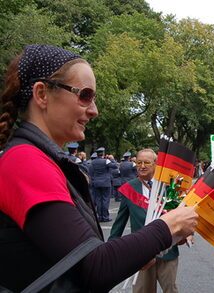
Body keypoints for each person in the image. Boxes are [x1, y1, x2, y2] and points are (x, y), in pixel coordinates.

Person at [0, 44, 198, 292]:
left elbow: (81, 259)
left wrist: (138, 250)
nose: (94, 110)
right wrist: (170, 224)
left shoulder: (39, 158)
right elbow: (94, 267)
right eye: (85, 95)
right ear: (42, 95)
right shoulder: (25, 160)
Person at [110, 149, 187, 293]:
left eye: (147, 162)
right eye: (139, 162)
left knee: (170, 289)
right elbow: (119, 223)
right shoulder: (130, 189)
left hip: (168, 251)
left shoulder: (169, 187)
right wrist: (109, 250)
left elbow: (180, 215)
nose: (142, 166)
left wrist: (187, 234)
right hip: (141, 253)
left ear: (156, 165)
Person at [91, 146, 117, 222]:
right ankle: (105, 217)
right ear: (103, 153)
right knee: (105, 200)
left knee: (98, 200)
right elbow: (115, 166)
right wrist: (112, 159)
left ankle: (100, 216)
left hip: (96, 182)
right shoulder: (106, 161)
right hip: (105, 182)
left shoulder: (93, 162)